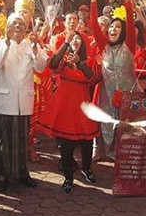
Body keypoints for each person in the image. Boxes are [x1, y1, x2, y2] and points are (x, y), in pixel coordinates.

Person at [0, 12, 48, 192]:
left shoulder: (31, 45)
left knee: (23, 139)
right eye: (14, 23)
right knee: (5, 140)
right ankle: (3, 175)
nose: (18, 27)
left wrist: (37, 50)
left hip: (24, 100)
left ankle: (23, 173)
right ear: (7, 27)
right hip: (5, 100)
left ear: (26, 28)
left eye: (21, 24)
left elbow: (41, 67)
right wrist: (6, 44)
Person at [38, 30, 101, 192]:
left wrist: (80, 63)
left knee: (87, 143)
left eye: (78, 39)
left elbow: (94, 78)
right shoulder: (63, 60)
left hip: (83, 108)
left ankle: (86, 169)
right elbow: (52, 65)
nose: (75, 41)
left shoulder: (89, 61)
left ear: (83, 44)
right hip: (64, 108)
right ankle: (68, 177)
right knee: (65, 145)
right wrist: (64, 44)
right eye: (72, 39)